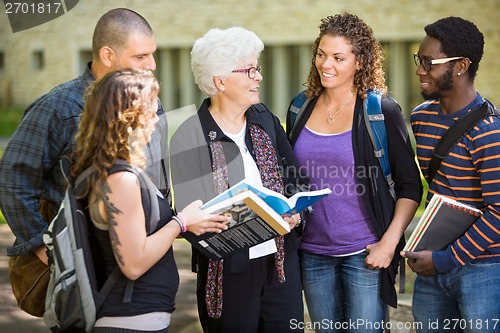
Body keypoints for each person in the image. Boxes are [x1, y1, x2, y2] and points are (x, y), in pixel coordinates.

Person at [286, 13, 422, 332]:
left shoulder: (380, 110)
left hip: (365, 254)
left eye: (338, 57)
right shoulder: (299, 107)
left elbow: (410, 186)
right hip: (313, 254)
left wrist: (389, 243)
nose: (326, 64)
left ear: (359, 61)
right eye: (321, 54)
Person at [0, 8, 168, 268]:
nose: (152, 65)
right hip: (82, 266)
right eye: (141, 56)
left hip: (143, 263)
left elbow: (158, 182)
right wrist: (45, 249)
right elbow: (13, 179)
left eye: (152, 54)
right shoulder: (57, 107)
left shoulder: (151, 105)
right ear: (107, 55)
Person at [170, 27, 307, 333]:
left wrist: (297, 211)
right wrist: (249, 224)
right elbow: (191, 219)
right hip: (230, 274)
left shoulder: (264, 118)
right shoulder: (189, 136)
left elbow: (296, 178)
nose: (258, 76)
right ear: (219, 81)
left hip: (281, 267)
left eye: (256, 68)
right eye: (249, 70)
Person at [70, 68, 228, 333]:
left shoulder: (108, 171)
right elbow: (133, 263)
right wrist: (181, 223)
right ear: (128, 117)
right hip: (129, 322)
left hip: (139, 320)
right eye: (151, 113)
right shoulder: (121, 180)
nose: (155, 121)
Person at [402, 17, 500, 332]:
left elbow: (498, 212)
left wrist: (446, 260)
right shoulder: (421, 118)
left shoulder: (490, 131)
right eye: (419, 60)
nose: (419, 70)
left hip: (483, 271)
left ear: (460, 66)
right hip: (432, 265)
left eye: (429, 63)